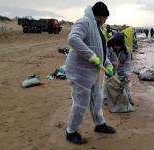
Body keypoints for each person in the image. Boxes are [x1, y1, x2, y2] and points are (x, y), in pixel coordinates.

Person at [65, 1, 116, 145]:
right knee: (81, 102)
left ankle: (99, 124)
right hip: (79, 71)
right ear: (100, 16)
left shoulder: (98, 28)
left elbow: (101, 50)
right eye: (105, 18)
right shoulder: (84, 22)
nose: (106, 21)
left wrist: (108, 65)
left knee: (96, 99)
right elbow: (73, 39)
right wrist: (91, 56)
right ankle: (71, 131)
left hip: (92, 72)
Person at [102, 32, 133, 105]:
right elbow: (106, 59)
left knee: (126, 83)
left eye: (119, 45)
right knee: (107, 81)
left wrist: (126, 74)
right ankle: (105, 97)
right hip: (109, 67)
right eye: (115, 45)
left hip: (121, 68)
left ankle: (129, 98)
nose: (117, 47)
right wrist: (109, 68)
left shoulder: (126, 51)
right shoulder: (108, 49)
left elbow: (127, 63)